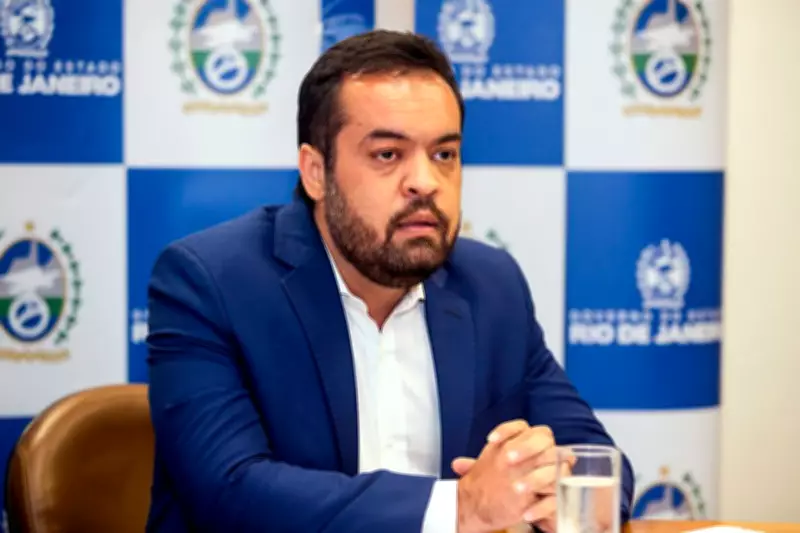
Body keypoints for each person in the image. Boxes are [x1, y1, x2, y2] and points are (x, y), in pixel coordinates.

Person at [144, 30, 635, 533]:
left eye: (444, 155)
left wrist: (556, 493)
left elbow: (598, 466)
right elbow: (228, 493)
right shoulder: (211, 283)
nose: (425, 182)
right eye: (387, 155)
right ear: (316, 172)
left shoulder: (492, 287)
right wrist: (460, 508)